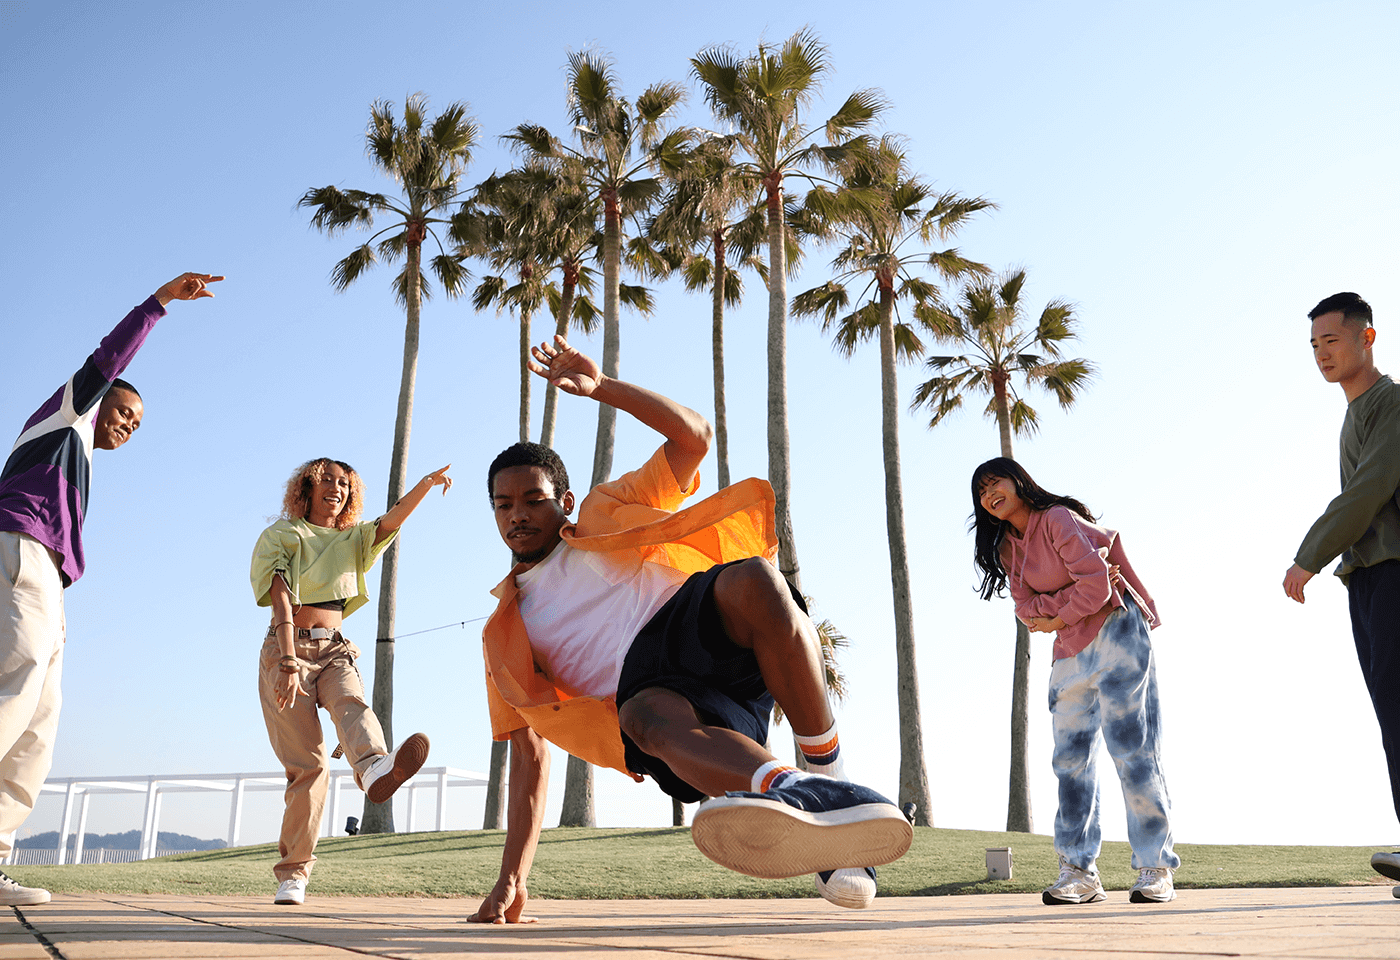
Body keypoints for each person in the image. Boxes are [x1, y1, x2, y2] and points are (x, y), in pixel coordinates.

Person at [471, 336, 911, 923]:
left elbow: (693, 438)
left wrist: (602, 387)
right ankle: (798, 795)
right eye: (503, 505)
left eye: (532, 499)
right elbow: (528, 757)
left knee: (755, 578)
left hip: (695, 621)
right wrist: (510, 879)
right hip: (652, 693)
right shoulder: (507, 631)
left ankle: (827, 773)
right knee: (645, 718)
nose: (517, 514)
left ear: (564, 501)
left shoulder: (605, 507)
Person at [0, 272, 222, 905]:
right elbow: (106, 358)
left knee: (39, 723)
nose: (128, 425)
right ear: (101, 403)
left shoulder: (82, 459)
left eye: (137, 423)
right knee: (15, 693)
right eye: (125, 412)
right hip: (24, 551)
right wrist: (159, 303)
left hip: (51, 578)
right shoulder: (67, 414)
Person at [971, 457, 1179, 905]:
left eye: (996, 483)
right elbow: (1026, 610)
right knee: (1071, 762)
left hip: (1117, 631)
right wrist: (1064, 606)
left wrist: (1057, 609)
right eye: (982, 492)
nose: (990, 494)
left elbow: (1100, 588)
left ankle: (1155, 867)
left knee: (1133, 749)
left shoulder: (1057, 518)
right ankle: (1079, 872)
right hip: (1068, 650)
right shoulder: (1009, 548)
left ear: (1019, 483)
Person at [250, 457, 451, 905]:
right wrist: (285, 661)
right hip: (287, 651)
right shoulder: (282, 536)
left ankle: (374, 766)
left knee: (351, 703)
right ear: (306, 487)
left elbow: (389, 521)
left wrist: (423, 484)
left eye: (344, 484)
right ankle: (294, 874)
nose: (336, 489)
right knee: (310, 767)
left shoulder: (351, 540)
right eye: (326, 481)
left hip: (335, 647)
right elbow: (280, 600)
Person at [1282, 292, 1400, 895]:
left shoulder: (1391, 403)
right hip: (1368, 578)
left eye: (1332, 341)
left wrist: (1309, 555)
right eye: (1314, 346)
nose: (1322, 354)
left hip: (1394, 572)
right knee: (1391, 713)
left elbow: (1370, 490)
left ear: (1367, 338)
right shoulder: (1353, 413)